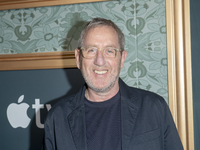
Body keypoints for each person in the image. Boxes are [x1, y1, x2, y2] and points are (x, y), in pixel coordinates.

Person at [43, 18, 183, 150]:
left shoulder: (154, 107)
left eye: (109, 51)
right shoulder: (57, 117)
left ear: (122, 59)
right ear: (78, 58)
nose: (100, 61)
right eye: (91, 50)